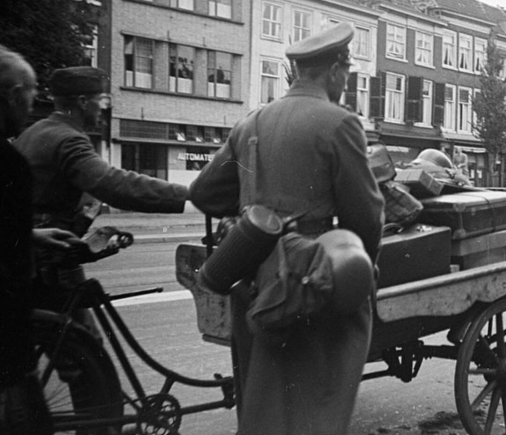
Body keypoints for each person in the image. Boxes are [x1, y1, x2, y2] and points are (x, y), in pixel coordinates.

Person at [189, 22, 384, 435]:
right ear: (335, 70)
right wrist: (361, 269)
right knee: (313, 404)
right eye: (346, 74)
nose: (345, 83)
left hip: (251, 281)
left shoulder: (251, 124)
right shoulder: (339, 123)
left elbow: (204, 193)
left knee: (263, 400)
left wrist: (253, 213)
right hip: (308, 285)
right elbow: (365, 216)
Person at [15, 66, 188, 318]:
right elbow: (112, 184)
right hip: (50, 261)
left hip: (31, 252)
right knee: (81, 344)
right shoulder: (68, 140)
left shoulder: (35, 131)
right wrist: (188, 196)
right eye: (100, 101)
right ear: (83, 102)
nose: (103, 109)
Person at [0, 47, 78, 435]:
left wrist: (28, 233)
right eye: (29, 92)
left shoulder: (20, 142)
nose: (33, 101)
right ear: (14, 95)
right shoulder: (8, 159)